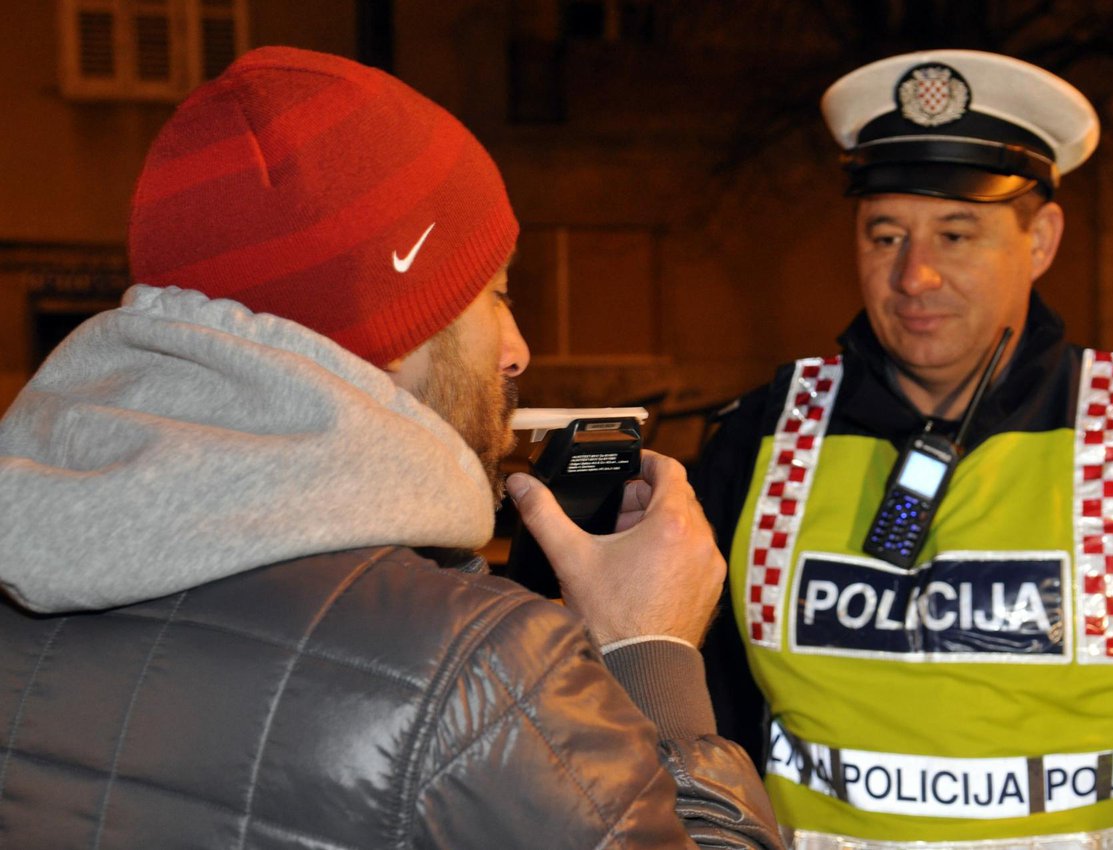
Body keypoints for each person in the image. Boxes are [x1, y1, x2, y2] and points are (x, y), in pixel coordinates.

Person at [0, 46, 783, 849]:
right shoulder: (475, 673)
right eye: (495, 295)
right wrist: (650, 656)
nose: (517, 350)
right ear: (393, 330)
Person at [694, 49, 1113, 850]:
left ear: (1041, 239)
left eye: (957, 233)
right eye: (885, 234)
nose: (916, 276)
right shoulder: (758, 441)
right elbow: (699, 719)